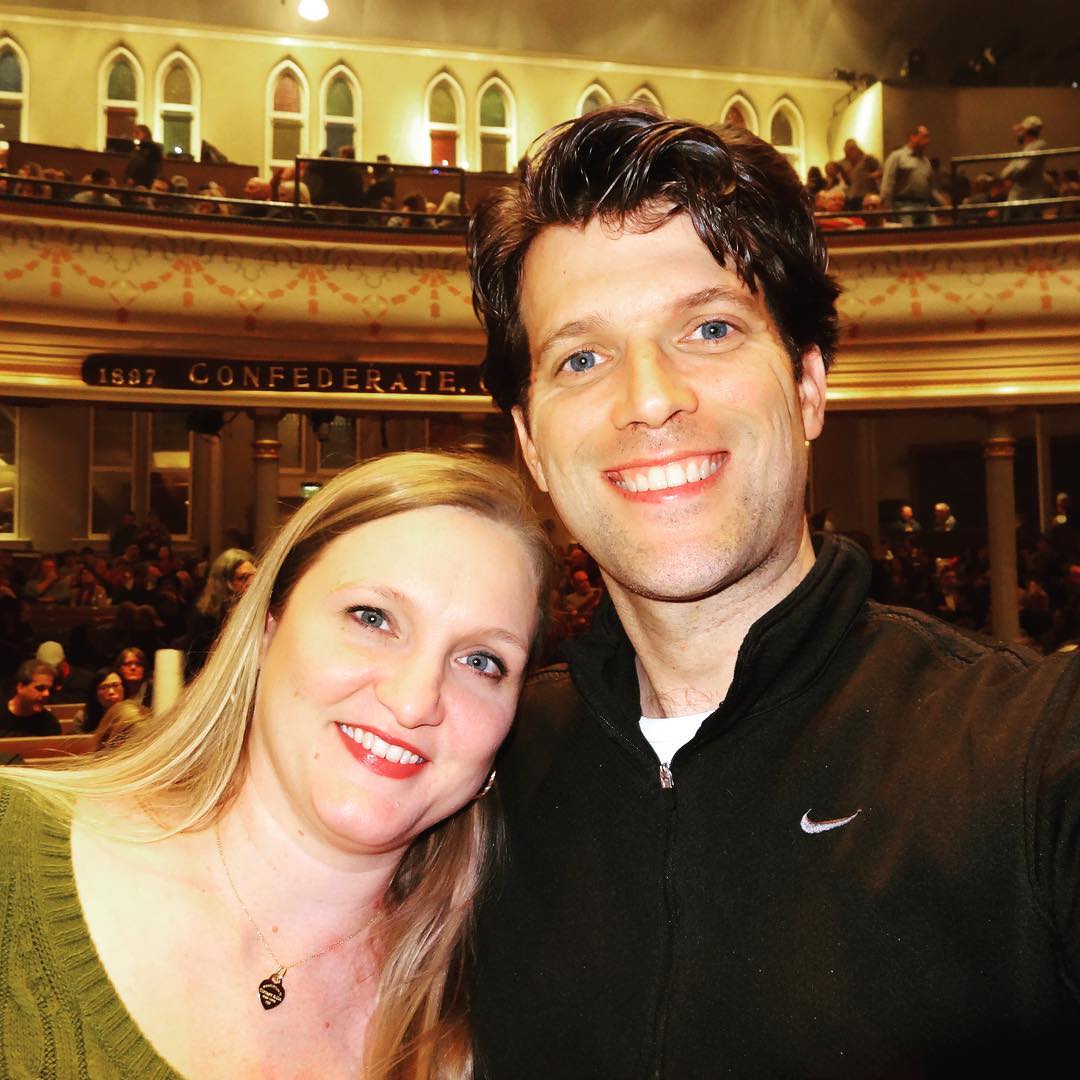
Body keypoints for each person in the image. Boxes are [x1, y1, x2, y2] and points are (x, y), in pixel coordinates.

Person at [466, 105, 1080, 1076]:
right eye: (582, 358)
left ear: (807, 387)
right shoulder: (474, 773)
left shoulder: (1027, 756)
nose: (650, 398)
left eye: (709, 328)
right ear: (534, 443)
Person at [0, 451, 553, 1078]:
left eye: (482, 661)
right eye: (372, 618)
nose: (414, 699)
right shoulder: (12, 850)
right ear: (266, 629)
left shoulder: (495, 1021)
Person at [184, 547, 256, 678]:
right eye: (243, 578)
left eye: (254, 577)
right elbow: (199, 661)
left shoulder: (258, 610)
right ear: (224, 582)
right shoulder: (205, 615)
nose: (251, 583)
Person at [880, 122, 933, 225]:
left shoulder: (926, 161)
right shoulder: (897, 156)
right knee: (908, 235)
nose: (927, 141)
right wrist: (885, 206)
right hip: (904, 206)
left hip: (925, 205)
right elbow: (888, 182)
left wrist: (943, 205)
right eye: (924, 137)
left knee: (934, 234)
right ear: (912, 137)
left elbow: (930, 186)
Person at [1002, 114, 1049, 220]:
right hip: (1017, 197)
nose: (1019, 133)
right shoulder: (1026, 149)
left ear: (1026, 131)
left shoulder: (1039, 145)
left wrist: (1010, 176)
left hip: (1029, 199)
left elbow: (1021, 169)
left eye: (1021, 130)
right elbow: (1006, 172)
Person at [0, 658, 60, 736]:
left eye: (49, 689)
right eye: (40, 688)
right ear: (20, 687)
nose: (46, 694)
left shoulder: (50, 724)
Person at [77, 667, 125, 733]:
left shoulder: (134, 714)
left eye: (115, 685)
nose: (111, 692)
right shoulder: (83, 717)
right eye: (104, 687)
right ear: (95, 694)